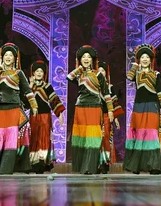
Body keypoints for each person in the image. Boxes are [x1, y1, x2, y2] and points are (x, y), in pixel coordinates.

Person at [0, 43, 38, 174]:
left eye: (10, 55)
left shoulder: (19, 73)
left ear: (15, 58)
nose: (8, 57)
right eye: (5, 55)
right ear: (2, 58)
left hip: (14, 107)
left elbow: (27, 90)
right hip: (1, 108)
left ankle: (6, 168)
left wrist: (34, 105)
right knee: (0, 137)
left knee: (10, 137)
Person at [67, 45, 114, 174]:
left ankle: (90, 167)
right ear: (80, 60)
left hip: (95, 107)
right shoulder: (79, 74)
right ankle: (82, 166)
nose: (86, 59)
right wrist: (80, 68)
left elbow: (106, 93)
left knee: (93, 137)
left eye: (88, 57)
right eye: (83, 57)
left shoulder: (98, 74)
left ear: (93, 60)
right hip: (80, 108)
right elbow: (69, 77)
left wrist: (110, 110)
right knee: (82, 136)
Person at [124, 43, 161, 174]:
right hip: (139, 107)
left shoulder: (156, 74)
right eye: (142, 57)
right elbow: (129, 77)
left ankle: (153, 166)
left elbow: (160, 90)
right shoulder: (136, 73)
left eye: (147, 57)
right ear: (139, 59)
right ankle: (135, 166)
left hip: (152, 106)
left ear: (151, 59)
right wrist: (134, 66)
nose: (145, 59)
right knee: (139, 134)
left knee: (151, 134)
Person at [28, 60, 66, 173]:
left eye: (41, 71)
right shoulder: (29, 87)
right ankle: (32, 163)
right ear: (33, 73)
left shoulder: (47, 86)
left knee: (44, 138)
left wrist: (59, 114)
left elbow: (54, 100)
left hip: (45, 116)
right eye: (37, 71)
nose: (39, 73)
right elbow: (25, 102)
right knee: (33, 138)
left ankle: (42, 162)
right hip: (33, 116)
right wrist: (29, 87)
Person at [98, 61, 124, 174]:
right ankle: (95, 162)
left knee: (106, 138)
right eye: (98, 70)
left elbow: (114, 102)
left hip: (107, 116)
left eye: (102, 70)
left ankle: (105, 162)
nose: (100, 72)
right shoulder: (92, 85)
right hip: (95, 115)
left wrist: (116, 118)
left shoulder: (110, 87)